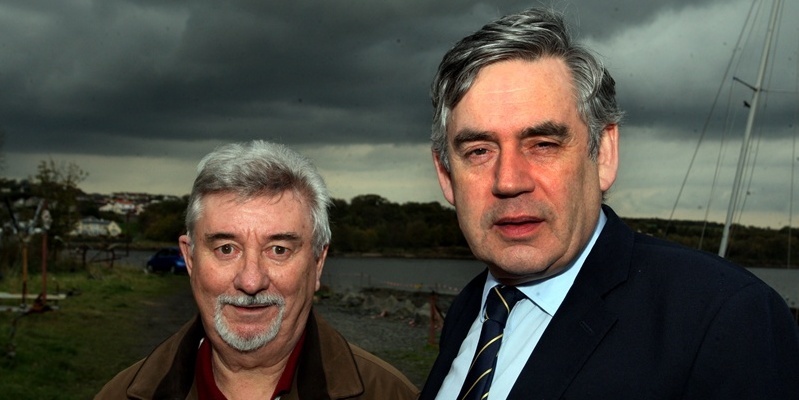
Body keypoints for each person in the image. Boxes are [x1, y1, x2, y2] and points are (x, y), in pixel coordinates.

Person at [419, 7, 799, 400]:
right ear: (446, 175)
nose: (509, 181)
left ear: (603, 154)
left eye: (543, 145)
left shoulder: (723, 318)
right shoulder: (473, 308)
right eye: (479, 151)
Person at [96, 140, 419, 399]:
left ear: (318, 263)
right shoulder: (122, 394)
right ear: (190, 260)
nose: (251, 281)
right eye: (226, 249)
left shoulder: (390, 393)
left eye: (278, 250)